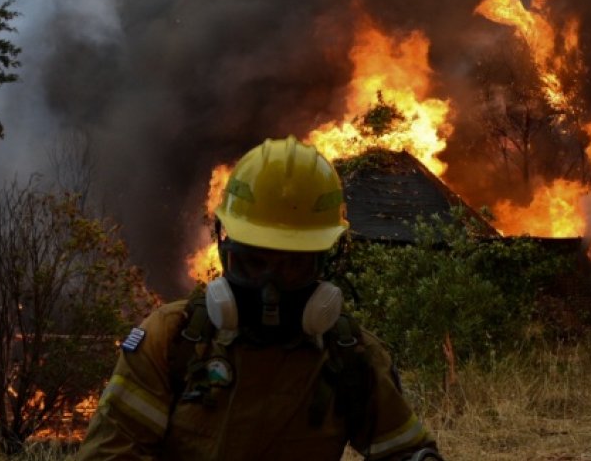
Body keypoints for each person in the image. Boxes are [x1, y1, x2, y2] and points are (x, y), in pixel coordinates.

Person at [75, 137, 441, 461]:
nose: (270, 288)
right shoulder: (172, 341)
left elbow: (405, 451)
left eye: (292, 266)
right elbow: (111, 452)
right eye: (253, 262)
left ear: (325, 262)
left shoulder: (350, 356)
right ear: (224, 249)